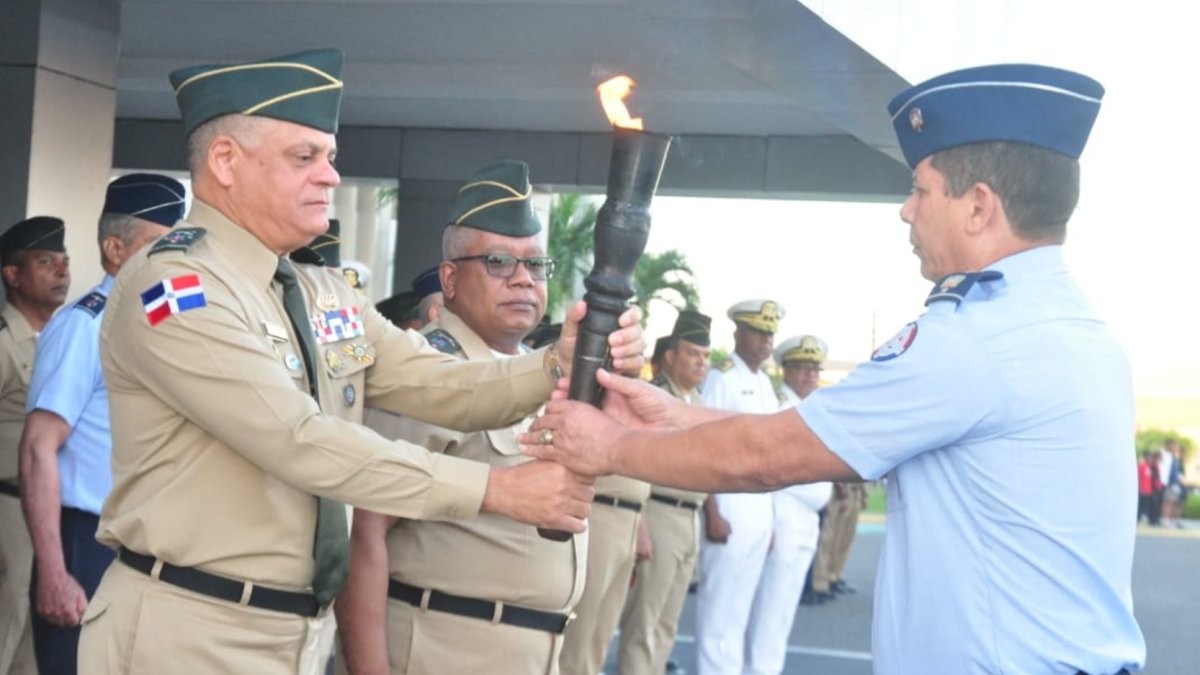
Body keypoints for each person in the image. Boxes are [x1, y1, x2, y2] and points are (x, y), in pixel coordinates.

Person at [525, 64, 1146, 675]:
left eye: (922, 190)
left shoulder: (975, 340)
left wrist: (608, 445)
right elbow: (820, 433)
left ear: (979, 207)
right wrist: (675, 416)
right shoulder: (1071, 329)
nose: (906, 210)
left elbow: (768, 457)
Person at [75, 49, 643, 675]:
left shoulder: (321, 292)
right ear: (226, 161)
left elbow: (441, 383)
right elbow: (298, 439)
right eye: (304, 157)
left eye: (331, 158)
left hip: (296, 636)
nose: (330, 177)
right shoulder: (177, 288)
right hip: (188, 631)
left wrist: (555, 362)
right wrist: (496, 489)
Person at [338, 159, 587, 674]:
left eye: (536, 266)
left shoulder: (532, 374)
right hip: (444, 647)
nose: (523, 280)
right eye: (499, 262)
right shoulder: (429, 372)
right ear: (449, 279)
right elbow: (363, 532)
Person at [17, 174, 182, 675]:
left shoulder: (163, 322)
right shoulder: (85, 326)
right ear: (115, 249)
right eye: (158, 244)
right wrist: (53, 572)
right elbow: (38, 450)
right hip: (87, 542)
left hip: (150, 541)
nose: (174, 258)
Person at [616, 310, 711, 675]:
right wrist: (639, 523)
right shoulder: (653, 397)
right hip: (658, 513)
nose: (701, 362)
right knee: (644, 622)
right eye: (692, 353)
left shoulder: (697, 402)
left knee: (667, 624)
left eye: (705, 355)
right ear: (670, 356)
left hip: (689, 519)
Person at [694, 299, 784, 675]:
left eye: (770, 334)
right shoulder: (722, 377)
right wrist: (712, 510)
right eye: (759, 332)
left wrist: (772, 522)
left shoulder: (764, 383)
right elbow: (703, 446)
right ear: (738, 334)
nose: (766, 341)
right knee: (718, 613)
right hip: (728, 508)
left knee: (740, 611)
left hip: (759, 512)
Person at [0, 215, 70, 675]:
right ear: (13, 275)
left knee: (31, 643)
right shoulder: (6, 343)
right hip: (7, 508)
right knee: (8, 623)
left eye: (65, 262)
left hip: (46, 509)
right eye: (46, 262)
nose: (62, 272)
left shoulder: (61, 338)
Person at [745, 335, 831, 675]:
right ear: (787, 370)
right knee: (769, 608)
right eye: (803, 368)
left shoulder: (812, 408)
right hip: (783, 514)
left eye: (815, 369)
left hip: (807, 519)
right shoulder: (779, 408)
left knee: (783, 611)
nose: (811, 375)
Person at [1160, 440, 1186, 528]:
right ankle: (1166, 520)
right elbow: (1165, 471)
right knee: (1168, 502)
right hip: (1169, 483)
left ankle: (1171, 520)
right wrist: (1166, 483)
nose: (1176, 448)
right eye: (1175, 446)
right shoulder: (1165, 456)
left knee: (1174, 503)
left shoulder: (1174, 458)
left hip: (1175, 484)